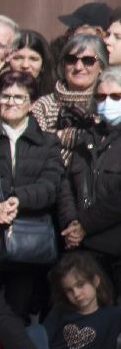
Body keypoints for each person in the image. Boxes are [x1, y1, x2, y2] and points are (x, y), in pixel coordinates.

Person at [0, 70, 62, 320]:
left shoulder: (47, 142)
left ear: (32, 103)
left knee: (17, 315)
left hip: (28, 242)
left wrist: (20, 199)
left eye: (19, 97)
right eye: (6, 96)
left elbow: (52, 184)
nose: (11, 102)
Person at [60, 66, 121, 282]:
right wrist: (71, 223)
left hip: (113, 250)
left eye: (116, 97)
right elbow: (67, 183)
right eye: (101, 96)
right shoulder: (86, 138)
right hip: (81, 248)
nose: (108, 103)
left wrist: (85, 225)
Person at [31, 29, 107, 163]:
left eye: (88, 60)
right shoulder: (43, 105)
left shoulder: (108, 104)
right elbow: (37, 149)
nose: (78, 67)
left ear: (101, 66)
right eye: (71, 59)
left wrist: (65, 137)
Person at [8, 29, 50, 95]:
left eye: (33, 59)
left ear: (43, 64)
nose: (25, 65)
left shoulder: (54, 100)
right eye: (18, 58)